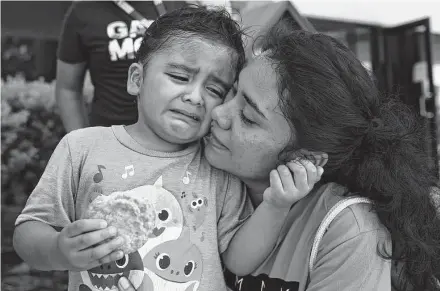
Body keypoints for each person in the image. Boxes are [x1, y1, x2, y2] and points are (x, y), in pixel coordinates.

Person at [13, 7, 323, 291]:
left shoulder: (216, 166)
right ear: (137, 79)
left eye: (214, 89)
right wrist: (57, 250)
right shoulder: (81, 148)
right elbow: (29, 231)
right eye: (178, 77)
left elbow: (237, 261)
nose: (195, 96)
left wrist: (276, 205)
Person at [117, 25, 440, 291]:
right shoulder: (199, 181)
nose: (218, 114)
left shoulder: (347, 230)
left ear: (306, 157)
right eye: (231, 92)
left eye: (247, 116)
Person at [55, 1, 186, 131]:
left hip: (175, 135)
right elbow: (68, 89)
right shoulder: (84, 11)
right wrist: (80, 144)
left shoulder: (181, 4)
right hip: (110, 136)